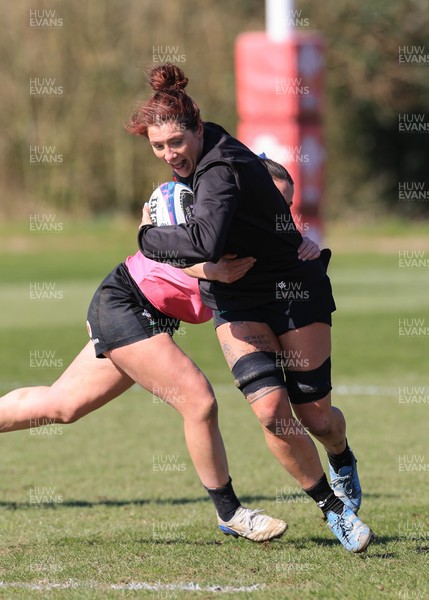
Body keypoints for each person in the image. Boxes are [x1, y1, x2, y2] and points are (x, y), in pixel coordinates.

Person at [131, 63, 374, 553]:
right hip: (236, 295)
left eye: (176, 141)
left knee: (317, 417)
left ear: (198, 129)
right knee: (270, 412)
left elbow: (205, 239)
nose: (168, 154)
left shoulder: (221, 167)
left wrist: (147, 236)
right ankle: (333, 511)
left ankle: (341, 456)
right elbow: (207, 250)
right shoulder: (199, 163)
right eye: (158, 146)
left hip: (290, 288)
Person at [0, 245, 288, 543]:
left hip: (147, 311)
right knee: (198, 402)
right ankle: (230, 513)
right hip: (126, 305)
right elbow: (157, 226)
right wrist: (209, 269)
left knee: (61, 405)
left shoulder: (251, 210)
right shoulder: (207, 199)